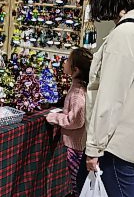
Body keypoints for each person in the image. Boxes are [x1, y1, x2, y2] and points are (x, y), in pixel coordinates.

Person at [76, 0, 134, 196]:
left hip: (114, 146)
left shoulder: (126, 35)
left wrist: (93, 149)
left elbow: (110, 99)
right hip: (127, 138)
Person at [46, 48, 92, 197]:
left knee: (77, 180)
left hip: (75, 145)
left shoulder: (78, 93)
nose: (64, 63)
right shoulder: (77, 86)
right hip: (75, 144)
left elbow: (76, 120)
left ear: (76, 69)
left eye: (67, 61)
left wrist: (55, 118)